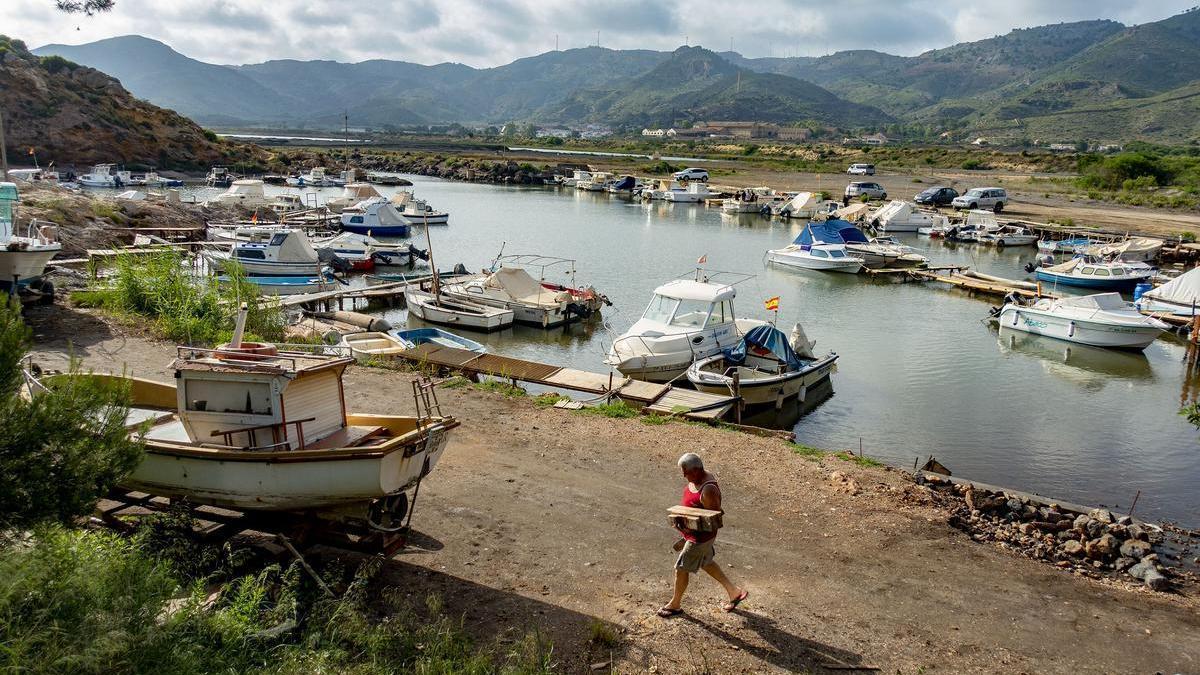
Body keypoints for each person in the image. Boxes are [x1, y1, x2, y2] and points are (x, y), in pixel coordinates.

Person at [658, 452, 748, 617]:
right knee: (706, 562)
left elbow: (713, 521)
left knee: (681, 568)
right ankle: (734, 592)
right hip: (692, 534)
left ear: (698, 469)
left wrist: (688, 528)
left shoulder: (708, 490)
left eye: (686, 472)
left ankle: (675, 605)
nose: (684, 475)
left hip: (700, 538)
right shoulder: (695, 480)